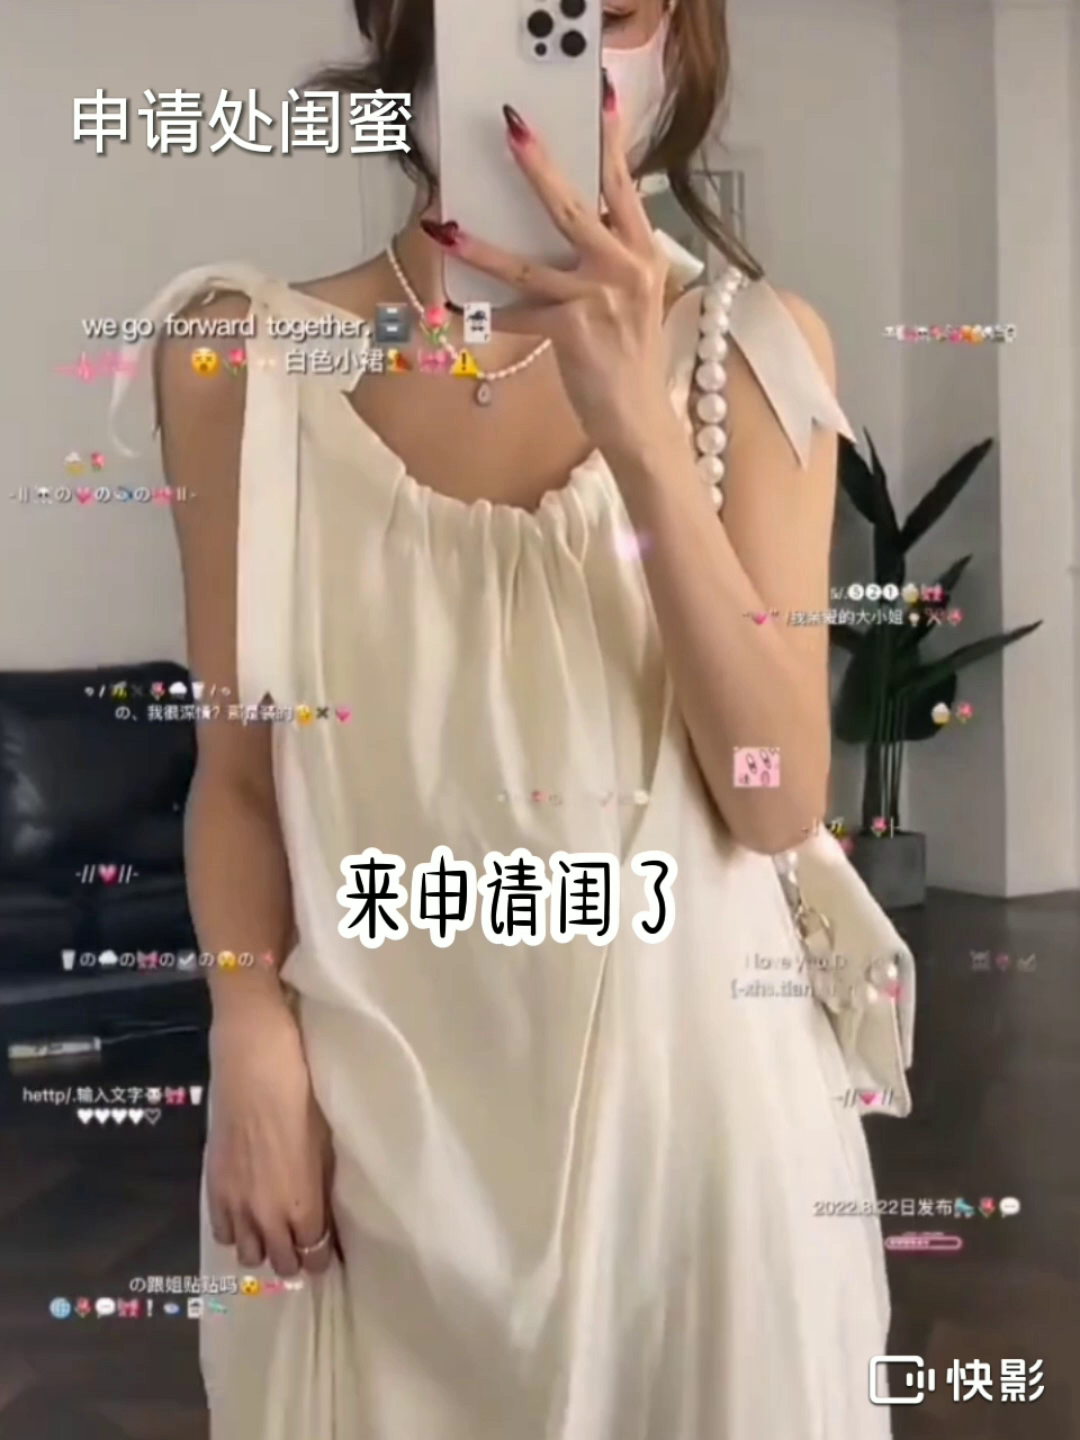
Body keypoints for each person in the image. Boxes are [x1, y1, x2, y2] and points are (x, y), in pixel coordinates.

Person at [111, 0, 912, 1434]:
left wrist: (637, 427)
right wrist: (248, 1032)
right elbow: (237, 777)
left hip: (691, 1146)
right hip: (369, 1136)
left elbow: (776, 794)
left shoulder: (753, 350)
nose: (577, 39)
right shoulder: (239, 362)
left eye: (620, 11)